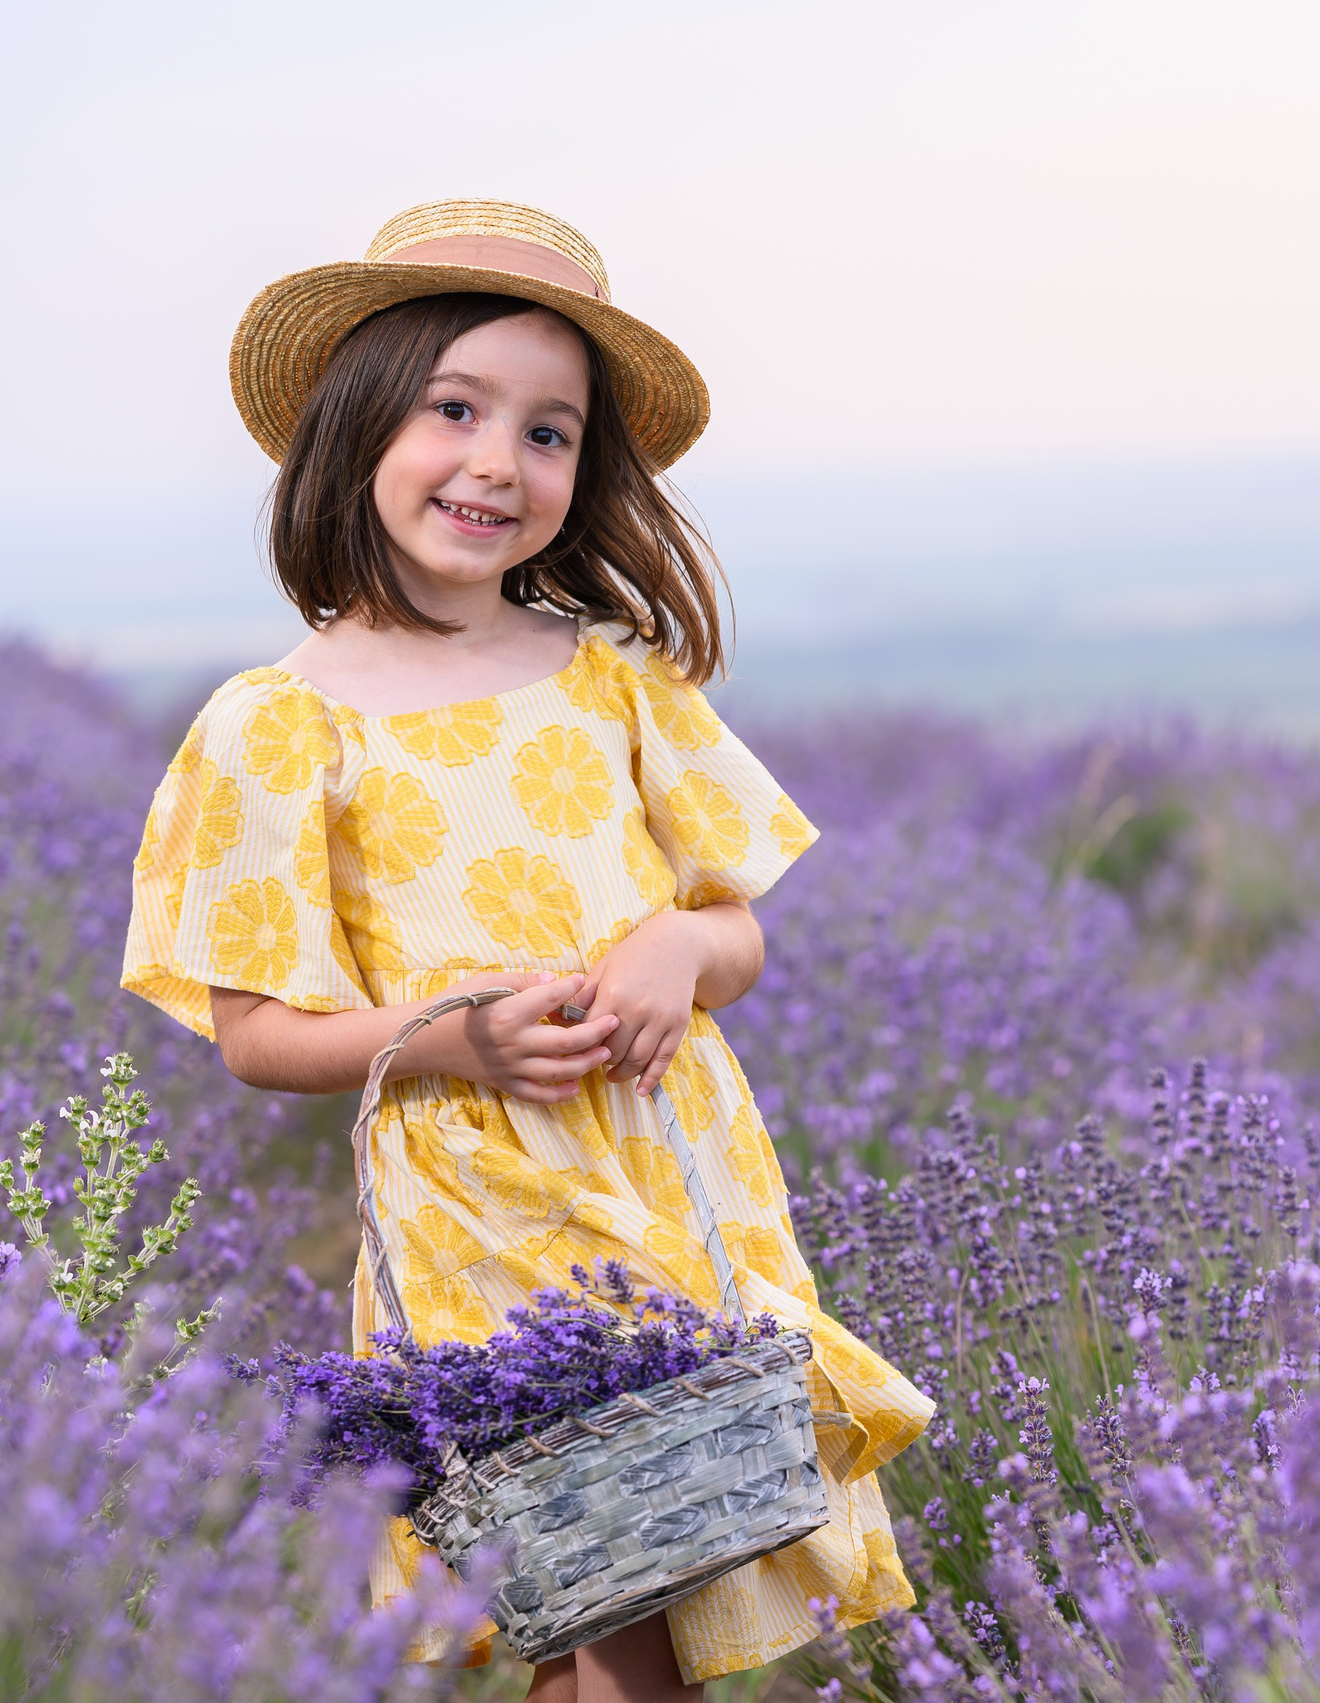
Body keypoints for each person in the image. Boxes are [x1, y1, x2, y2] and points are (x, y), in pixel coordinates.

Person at [122, 201, 932, 1703]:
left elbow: (733, 922)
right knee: (610, 1584)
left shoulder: (617, 678)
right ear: (354, 424)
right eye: (455, 409)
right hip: (481, 1212)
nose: (500, 461)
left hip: (668, 1173)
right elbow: (254, 1032)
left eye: (550, 432)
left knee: (649, 1584)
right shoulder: (278, 727)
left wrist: (679, 955)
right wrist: (452, 1038)